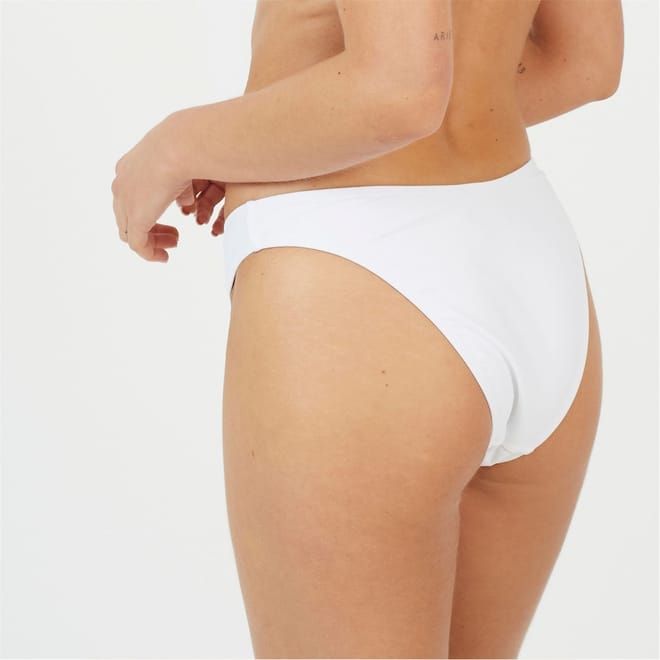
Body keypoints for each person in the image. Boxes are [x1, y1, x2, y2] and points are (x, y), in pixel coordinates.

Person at [111, 1, 624, 657]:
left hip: (358, 282)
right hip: (527, 251)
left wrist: (176, 144)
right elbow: (585, 61)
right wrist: (278, 133)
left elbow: (398, 90)